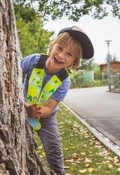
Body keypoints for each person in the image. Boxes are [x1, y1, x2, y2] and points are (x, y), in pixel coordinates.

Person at [21, 26, 94, 175]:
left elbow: (49, 108)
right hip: (20, 106)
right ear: (52, 45)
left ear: (74, 61)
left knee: (54, 146)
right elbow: (11, 73)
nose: (61, 56)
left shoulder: (64, 81)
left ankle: (58, 172)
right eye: (59, 48)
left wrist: (36, 112)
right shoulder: (33, 60)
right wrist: (24, 106)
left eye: (69, 54)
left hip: (45, 116)